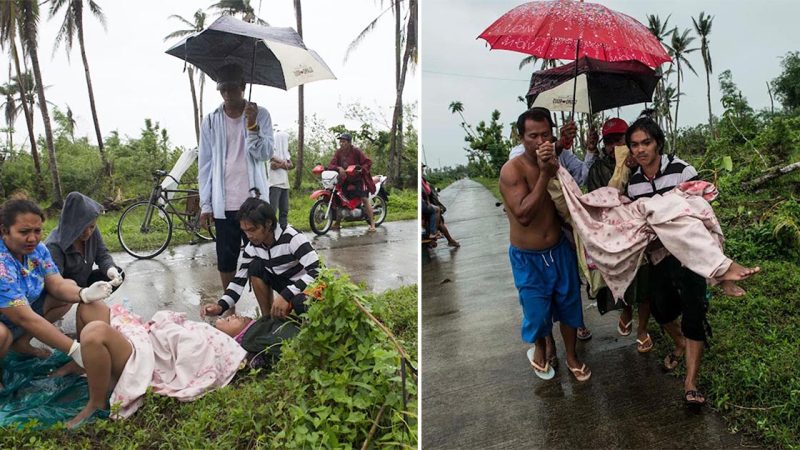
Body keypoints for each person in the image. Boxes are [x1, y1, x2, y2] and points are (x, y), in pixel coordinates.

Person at [624, 117, 756, 406]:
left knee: (694, 313)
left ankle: (690, 383)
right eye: (634, 145)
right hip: (659, 258)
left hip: (689, 258)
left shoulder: (682, 170)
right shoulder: (633, 185)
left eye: (646, 142)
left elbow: (699, 210)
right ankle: (680, 343)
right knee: (660, 309)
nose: (640, 150)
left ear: (657, 141)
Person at [499, 107, 591, 382]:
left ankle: (572, 355)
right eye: (533, 136)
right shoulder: (512, 170)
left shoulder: (558, 163)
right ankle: (540, 345)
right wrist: (544, 174)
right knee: (537, 312)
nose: (540, 142)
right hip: (528, 257)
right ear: (520, 137)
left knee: (569, 307)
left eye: (546, 135)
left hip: (559, 251)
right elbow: (524, 215)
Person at [0, 198, 111, 369]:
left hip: (21, 311)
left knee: (66, 291)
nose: (32, 238)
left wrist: (83, 293)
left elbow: (57, 284)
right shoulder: (2, 264)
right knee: (2, 335)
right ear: (5, 231)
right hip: (11, 318)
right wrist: (73, 349)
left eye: (37, 231)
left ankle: (21, 343)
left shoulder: (38, 250)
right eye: (24, 232)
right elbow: (24, 317)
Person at [198, 63, 274, 293]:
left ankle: (266, 312)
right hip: (225, 202)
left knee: (262, 257)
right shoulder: (211, 120)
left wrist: (252, 125)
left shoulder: (261, 114)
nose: (227, 94)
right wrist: (206, 203)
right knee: (226, 258)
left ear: (242, 87)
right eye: (223, 90)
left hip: (253, 200)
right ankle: (229, 311)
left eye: (232, 88)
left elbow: (265, 153)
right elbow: (206, 164)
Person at [584, 119, 655, 353]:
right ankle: (625, 310)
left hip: (641, 232)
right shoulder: (598, 169)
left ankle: (642, 330)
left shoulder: (643, 164)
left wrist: (633, 168)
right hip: (614, 234)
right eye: (610, 141)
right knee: (619, 277)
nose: (616, 146)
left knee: (645, 283)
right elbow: (597, 201)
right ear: (604, 145)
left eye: (620, 140)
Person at [202, 198, 320, 320]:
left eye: (252, 230)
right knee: (255, 267)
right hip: (284, 284)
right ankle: (268, 321)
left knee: (301, 303)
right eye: (245, 231)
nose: (248, 236)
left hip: (307, 288)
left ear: (268, 224)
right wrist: (220, 306)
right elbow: (239, 280)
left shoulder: (292, 238)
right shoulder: (252, 246)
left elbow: (318, 271)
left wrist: (286, 295)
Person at [45, 192, 124, 292]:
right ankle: (87, 304)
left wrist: (110, 269)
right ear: (71, 224)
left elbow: (102, 255)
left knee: (118, 273)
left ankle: (92, 302)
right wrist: (82, 294)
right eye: (82, 228)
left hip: (85, 280)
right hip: (65, 288)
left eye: (92, 226)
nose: (88, 232)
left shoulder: (93, 232)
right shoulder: (54, 245)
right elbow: (55, 283)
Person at [327, 133, 377, 232]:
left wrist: (360, 169)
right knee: (341, 199)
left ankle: (372, 224)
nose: (341, 143)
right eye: (340, 141)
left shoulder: (356, 151)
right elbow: (331, 164)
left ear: (349, 142)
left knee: (364, 199)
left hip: (358, 179)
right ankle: (337, 223)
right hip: (345, 180)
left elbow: (368, 162)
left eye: (344, 141)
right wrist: (339, 168)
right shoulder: (339, 152)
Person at [268, 125, 293, 229]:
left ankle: (283, 228)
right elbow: (273, 166)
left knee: (284, 210)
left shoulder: (285, 153)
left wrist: (282, 164)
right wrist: (284, 164)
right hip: (274, 184)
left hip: (285, 184)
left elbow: (291, 165)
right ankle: (271, 230)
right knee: (273, 210)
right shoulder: (272, 152)